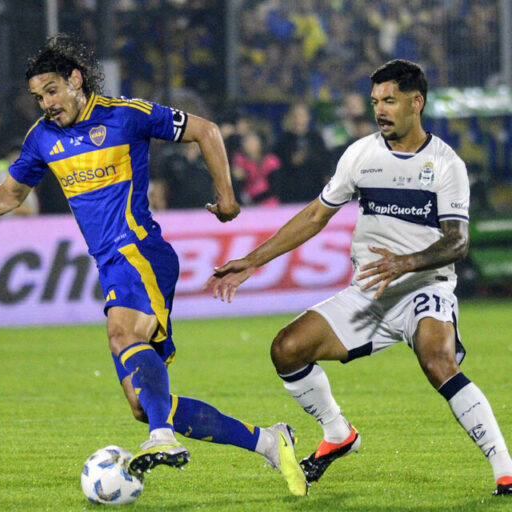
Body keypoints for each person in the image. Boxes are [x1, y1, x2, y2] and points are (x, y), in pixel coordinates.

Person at [0, 33, 307, 496]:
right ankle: (269, 442)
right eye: (38, 97)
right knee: (143, 402)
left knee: (121, 333)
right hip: (110, 263)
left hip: (140, 251)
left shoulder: (126, 115)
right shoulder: (43, 138)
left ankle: (161, 438)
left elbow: (206, 130)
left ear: (75, 80)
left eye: (52, 91)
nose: (45, 103)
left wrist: (226, 197)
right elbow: (11, 193)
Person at [205, 59, 512, 496]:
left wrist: (405, 263)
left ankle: (505, 470)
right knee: (287, 349)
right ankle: (337, 432)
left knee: (437, 361)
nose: (380, 110)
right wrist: (253, 261)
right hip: (368, 292)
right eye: (375, 102)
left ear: (416, 102)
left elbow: (458, 242)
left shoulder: (447, 164)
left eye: (389, 100)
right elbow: (316, 215)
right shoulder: (361, 154)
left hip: (424, 287)